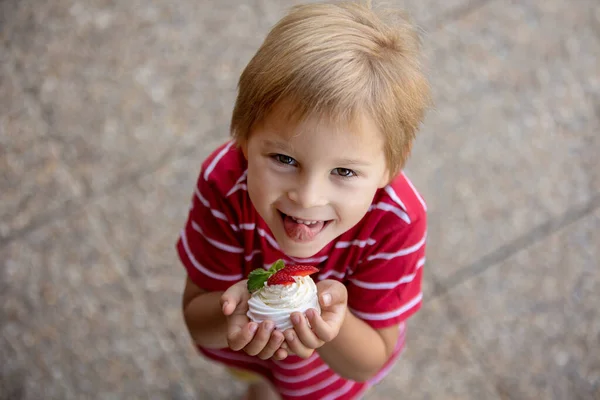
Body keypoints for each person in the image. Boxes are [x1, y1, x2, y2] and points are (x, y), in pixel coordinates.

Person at [177, 1, 431, 399]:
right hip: (248, 353)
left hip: (329, 376)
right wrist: (239, 313)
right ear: (244, 139)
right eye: (284, 158)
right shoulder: (224, 184)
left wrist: (333, 322)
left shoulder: (396, 220)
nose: (307, 197)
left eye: (344, 172)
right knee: (259, 383)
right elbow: (198, 322)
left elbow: (368, 361)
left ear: (391, 165)